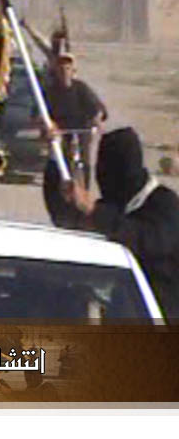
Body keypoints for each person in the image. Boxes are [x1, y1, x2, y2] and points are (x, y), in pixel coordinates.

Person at [61, 127, 179, 321]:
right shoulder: (115, 207)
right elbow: (67, 225)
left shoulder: (164, 204)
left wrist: (94, 211)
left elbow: (146, 239)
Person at [43, 49, 107, 190]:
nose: (64, 72)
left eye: (67, 68)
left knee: (85, 158)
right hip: (62, 130)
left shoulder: (81, 88)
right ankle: (61, 186)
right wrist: (50, 126)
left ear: (73, 71)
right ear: (56, 71)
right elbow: (41, 113)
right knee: (61, 159)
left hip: (82, 128)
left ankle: (86, 188)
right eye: (61, 69)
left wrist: (96, 121)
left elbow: (97, 108)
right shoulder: (50, 91)